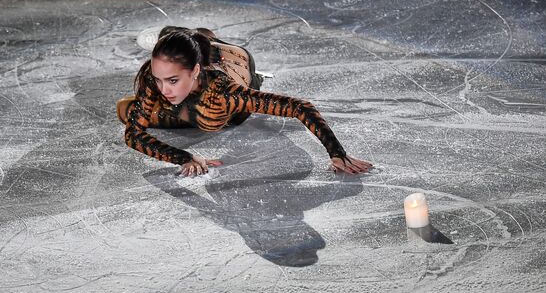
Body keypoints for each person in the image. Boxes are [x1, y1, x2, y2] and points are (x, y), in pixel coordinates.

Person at [116, 26, 373, 176]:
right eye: (159, 80)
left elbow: (299, 106)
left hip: (236, 65)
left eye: (171, 81)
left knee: (203, 42)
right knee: (124, 110)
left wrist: (337, 153)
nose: (162, 89)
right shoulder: (156, 82)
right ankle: (185, 36)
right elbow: (133, 134)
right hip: (194, 101)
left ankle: (205, 38)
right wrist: (182, 156)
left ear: (195, 71)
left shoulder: (224, 93)